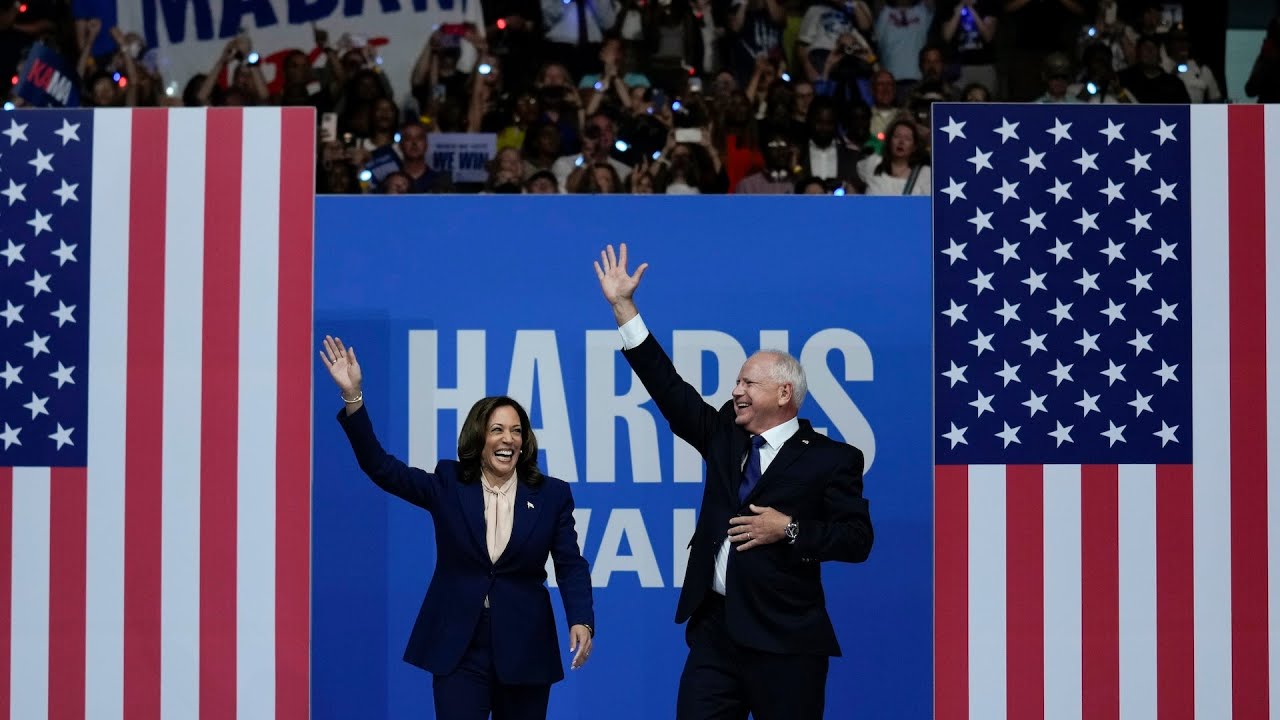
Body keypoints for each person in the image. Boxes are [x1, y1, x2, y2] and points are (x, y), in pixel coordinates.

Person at [592, 245, 874, 720]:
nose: (735, 391)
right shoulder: (725, 433)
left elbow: (857, 539)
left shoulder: (833, 459)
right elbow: (669, 388)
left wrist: (788, 529)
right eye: (737, 383)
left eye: (748, 383)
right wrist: (624, 309)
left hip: (786, 642)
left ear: (785, 393)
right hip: (715, 634)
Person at [319, 335, 595, 719]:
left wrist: (581, 617)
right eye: (497, 429)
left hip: (526, 644)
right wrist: (353, 398)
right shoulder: (449, 483)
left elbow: (570, 563)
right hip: (460, 644)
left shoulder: (551, 495)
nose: (508, 439)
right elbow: (381, 468)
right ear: (478, 437)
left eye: (516, 431)